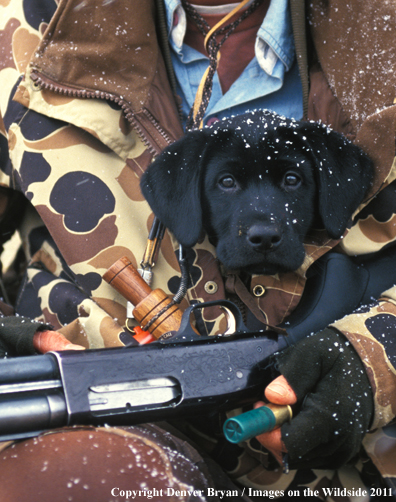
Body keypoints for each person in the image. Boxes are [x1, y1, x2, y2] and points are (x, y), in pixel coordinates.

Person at [0, 0, 395, 500]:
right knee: (82, 477)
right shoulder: (24, 32)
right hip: (96, 421)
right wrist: (11, 336)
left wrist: (375, 357)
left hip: (352, 467)